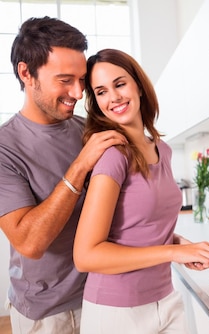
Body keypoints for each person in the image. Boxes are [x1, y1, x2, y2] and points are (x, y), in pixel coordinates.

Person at [73, 48, 209, 333]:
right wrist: (172, 254)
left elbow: (140, 228)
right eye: (101, 92)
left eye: (120, 84)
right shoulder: (113, 156)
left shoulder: (163, 149)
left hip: (165, 299)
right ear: (96, 103)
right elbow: (86, 256)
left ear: (138, 85)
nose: (113, 98)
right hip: (116, 311)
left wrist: (180, 244)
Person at [0, 17, 128, 333]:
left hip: (105, 294)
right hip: (48, 312)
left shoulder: (89, 130)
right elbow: (30, 243)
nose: (77, 91)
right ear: (26, 73)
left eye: (82, 80)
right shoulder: (5, 147)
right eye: (65, 80)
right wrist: (80, 165)